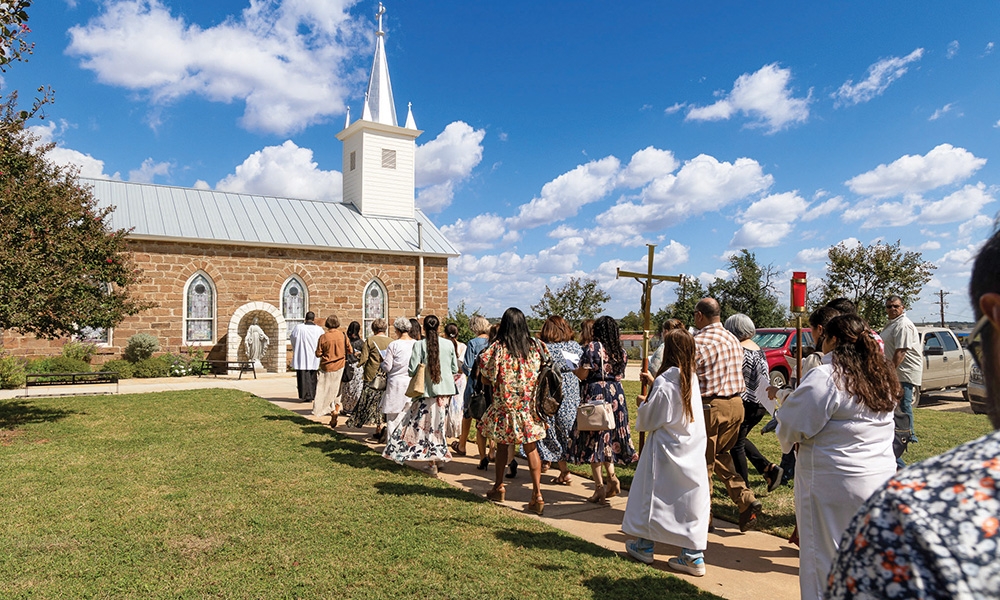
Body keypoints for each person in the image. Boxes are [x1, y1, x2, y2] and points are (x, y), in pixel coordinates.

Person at [826, 230, 1000, 599]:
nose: (890, 311)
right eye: (887, 308)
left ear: (993, 314)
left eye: (979, 336)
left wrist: (887, 372)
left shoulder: (910, 522)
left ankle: (905, 439)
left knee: (902, 413)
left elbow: (900, 355)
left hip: (901, 378)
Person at [774, 314, 898, 600]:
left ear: (830, 340)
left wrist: (784, 427)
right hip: (879, 478)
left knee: (825, 562)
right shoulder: (882, 375)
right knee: (865, 563)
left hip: (834, 483)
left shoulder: (827, 376)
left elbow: (794, 425)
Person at [624, 329, 710, 576]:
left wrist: (643, 406)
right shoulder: (690, 379)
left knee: (652, 496)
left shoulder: (665, 382)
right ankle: (692, 555)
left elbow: (651, 420)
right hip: (690, 447)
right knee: (689, 500)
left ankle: (645, 545)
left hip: (664, 449)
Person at [693, 298, 760, 532]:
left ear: (700, 316)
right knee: (720, 455)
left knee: (704, 464)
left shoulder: (698, 340)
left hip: (711, 406)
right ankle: (745, 500)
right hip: (736, 405)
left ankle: (705, 517)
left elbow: (687, 376)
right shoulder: (733, 338)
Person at [478, 307, 550, 515]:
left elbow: (485, 376)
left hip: (505, 406)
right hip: (528, 407)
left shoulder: (498, 348)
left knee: (502, 447)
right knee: (531, 449)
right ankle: (537, 494)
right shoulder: (536, 346)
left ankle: (498, 486)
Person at [568, 315, 638, 505]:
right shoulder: (620, 351)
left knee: (594, 438)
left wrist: (573, 369)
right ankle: (612, 476)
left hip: (596, 393)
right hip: (617, 394)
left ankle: (599, 486)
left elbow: (583, 373)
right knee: (610, 436)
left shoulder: (593, 348)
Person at [384, 315, 457, 475]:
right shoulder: (448, 344)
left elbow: (412, 370)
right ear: (439, 327)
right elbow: (454, 369)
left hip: (425, 391)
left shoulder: (419, 345)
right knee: (439, 425)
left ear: (423, 327)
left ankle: (432, 461)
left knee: (426, 426)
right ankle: (439, 457)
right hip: (444, 391)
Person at [724, 313, 783, 492]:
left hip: (745, 402)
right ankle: (768, 469)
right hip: (759, 403)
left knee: (735, 444)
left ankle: (744, 489)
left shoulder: (738, 349)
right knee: (738, 440)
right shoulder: (758, 348)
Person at [535, 315, 582, 486]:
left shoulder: (544, 348)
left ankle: (562, 469)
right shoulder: (572, 348)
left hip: (550, 392)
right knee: (567, 431)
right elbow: (578, 368)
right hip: (570, 392)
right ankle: (565, 470)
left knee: (551, 432)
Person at [881, 294, 923, 448]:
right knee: (895, 403)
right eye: (889, 306)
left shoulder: (903, 324)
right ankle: (897, 429)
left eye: (896, 306)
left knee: (904, 403)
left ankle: (910, 434)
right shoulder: (892, 323)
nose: (892, 309)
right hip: (895, 370)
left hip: (904, 371)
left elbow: (901, 352)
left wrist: (890, 370)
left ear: (902, 307)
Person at [455, 315, 491, 462]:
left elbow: (468, 366)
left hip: (474, 382)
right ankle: (492, 449)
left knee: (468, 412)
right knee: (487, 414)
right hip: (488, 383)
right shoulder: (492, 341)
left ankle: (462, 444)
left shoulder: (473, 343)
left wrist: (461, 368)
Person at [348, 318, 392, 433]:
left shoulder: (370, 340)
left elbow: (364, 359)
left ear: (373, 328)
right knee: (382, 400)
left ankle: (375, 424)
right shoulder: (391, 341)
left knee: (369, 400)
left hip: (371, 374)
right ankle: (380, 424)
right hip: (386, 374)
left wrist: (357, 358)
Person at [379, 317, 416, 443]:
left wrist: (381, 363)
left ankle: (393, 445)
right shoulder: (415, 344)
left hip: (396, 382)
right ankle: (407, 443)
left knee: (393, 417)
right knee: (408, 415)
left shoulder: (394, 345)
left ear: (397, 330)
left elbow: (387, 367)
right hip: (411, 382)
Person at [314, 315, 350, 426]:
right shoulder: (343, 335)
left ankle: (331, 409)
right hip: (340, 366)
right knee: (337, 391)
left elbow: (318, 353)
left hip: (327, 367)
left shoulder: (323, 337)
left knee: (326, 391)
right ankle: (336, 409)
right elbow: (350, 350)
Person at [289, 311, 324, 403]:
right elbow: (323, 341)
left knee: (303, 376)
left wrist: (296, 348)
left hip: (302, 355)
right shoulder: (319, 330)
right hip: (314, 356)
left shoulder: (299, 328)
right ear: (313, 319)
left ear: (305, 318)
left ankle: (304, 395)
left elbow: (293, 338)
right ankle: (312, 394)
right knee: (313, 375)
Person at [443, 322, 467, 440]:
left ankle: (444, 432)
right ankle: (458, 432)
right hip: (460, 379)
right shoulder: (463, 346)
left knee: (445, 405)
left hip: (446, 378)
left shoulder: (443, 345)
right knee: (458, 407)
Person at [340, 321, 365, 415]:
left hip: (347, 366)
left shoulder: (345, 341)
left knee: (347, 389)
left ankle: (346, 408)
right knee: (357, 389)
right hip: (358, 367)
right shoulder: (361, 343)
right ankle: (355, 409)